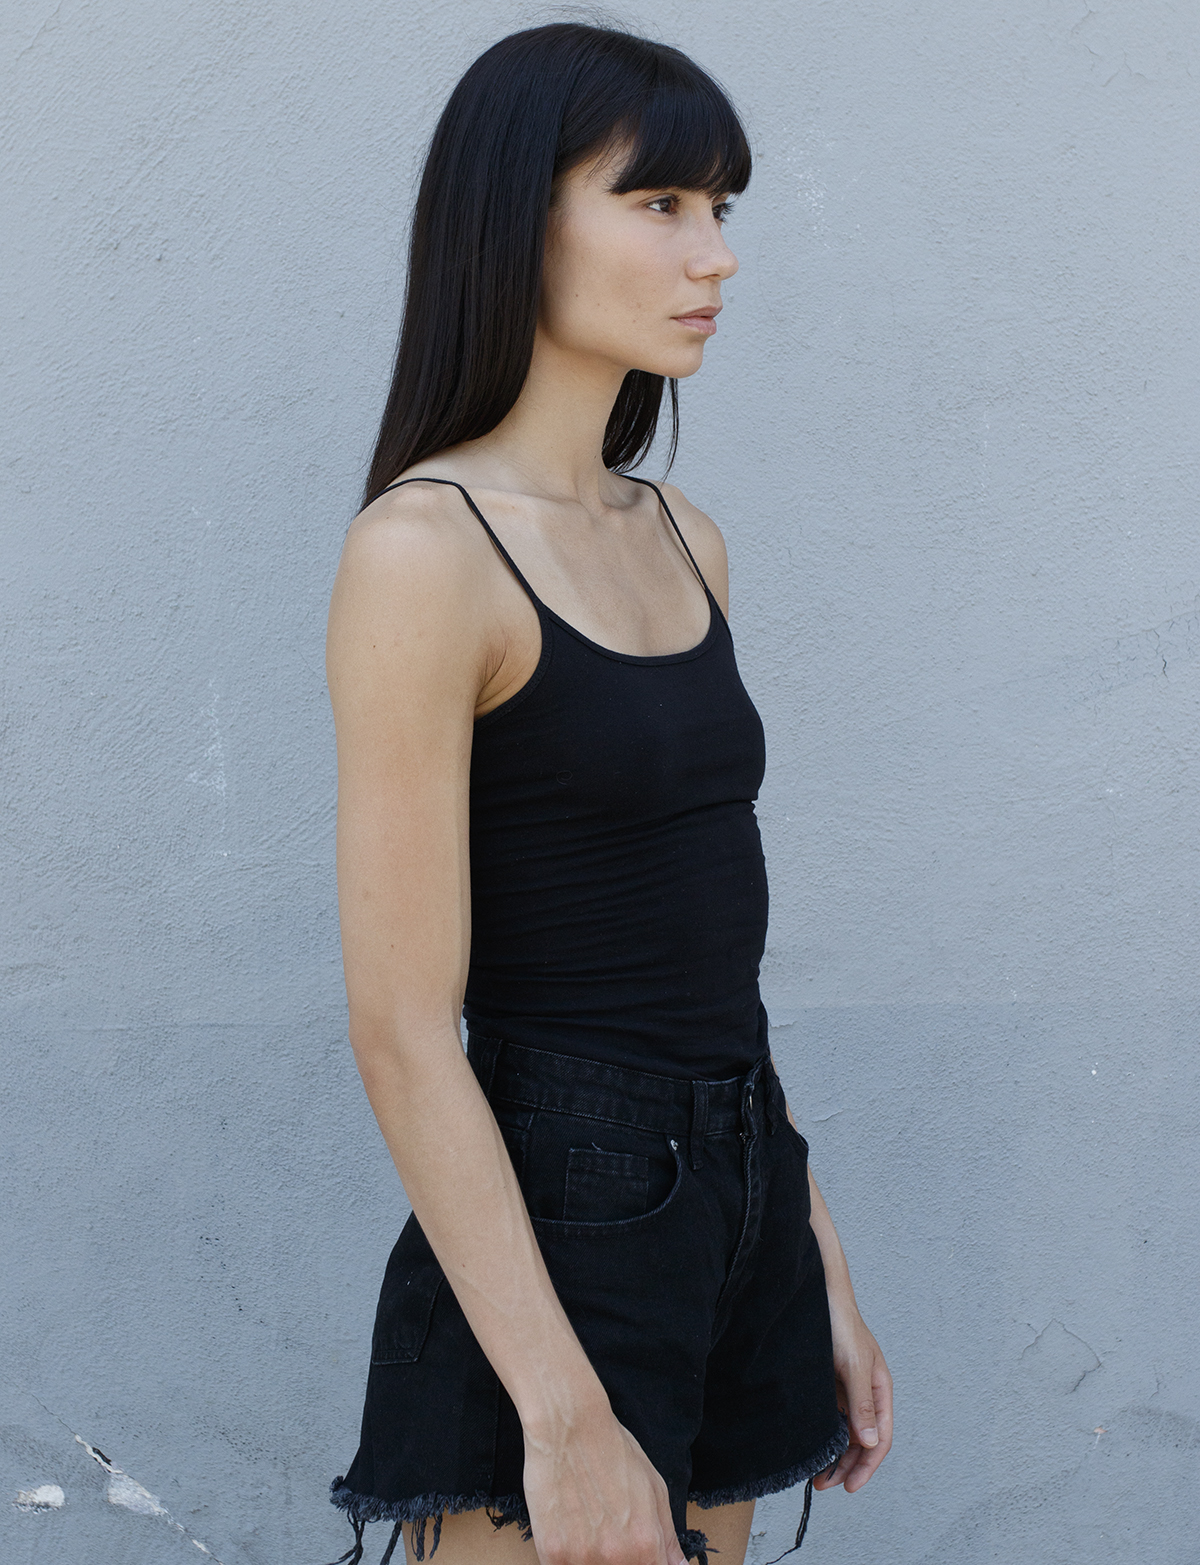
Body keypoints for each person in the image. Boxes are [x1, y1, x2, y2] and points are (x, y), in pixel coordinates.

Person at [325, 23, 892, 1565]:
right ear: (520, 217)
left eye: (721, 209)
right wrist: (564, 1412)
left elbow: (710, 961)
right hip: (562, 1212)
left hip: (740, 1190)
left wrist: (816, 1254)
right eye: (661, 205)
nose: (715, 254)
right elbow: (399, 1024)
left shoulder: (683, 538)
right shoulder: (424, 554)